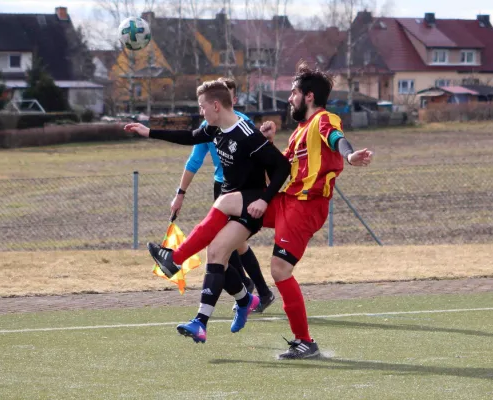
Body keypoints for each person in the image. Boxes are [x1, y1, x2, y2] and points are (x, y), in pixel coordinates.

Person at [124, 80, 291, 344]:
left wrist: (265, 200)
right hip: (230, 202)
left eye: (202, 107)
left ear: (215, 105)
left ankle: (175, 260)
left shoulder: (247, 134)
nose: (201, 112)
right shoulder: (215, 129)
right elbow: (189, 137)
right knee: (215, 255)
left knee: (220, 235)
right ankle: (220, 312)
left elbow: (282, 167)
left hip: (249, 206)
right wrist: (149, 132)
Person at [260, 62, 373, 359]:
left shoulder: (323, 119)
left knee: (280, 269)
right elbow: (279, 171)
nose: (290, 99)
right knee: (237, 213)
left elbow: (336, 138)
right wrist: (269, 143)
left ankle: (304, 342)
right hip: (287, 201)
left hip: (306, 206)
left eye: (294, 93)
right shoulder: (299, 131)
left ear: (309, 96)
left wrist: (349, 155)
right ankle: (242, 291)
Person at [171, 77, 276, 313]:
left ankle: (254, 291)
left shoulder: (244, 125)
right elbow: (194, 160)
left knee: (232, 245)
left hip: (243, 191)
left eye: (226, 95)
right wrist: (180, 193)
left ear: (230, 101)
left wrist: (265, 193)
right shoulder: (209, 127)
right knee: (231, 245)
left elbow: (268, 162)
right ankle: (253, 290)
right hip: (222, 189)